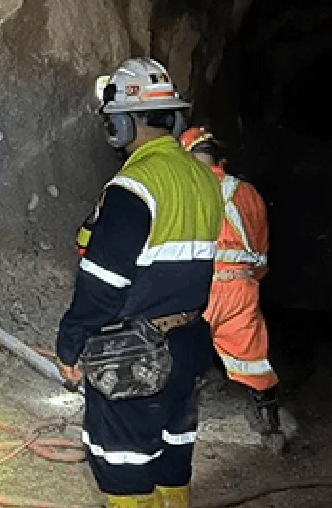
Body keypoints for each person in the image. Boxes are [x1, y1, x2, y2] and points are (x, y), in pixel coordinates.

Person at [56, 58, 222, 508]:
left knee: (123, 461)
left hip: (134, 350)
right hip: (188, 341)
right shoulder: (203, 180)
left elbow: (102, 282)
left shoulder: (134, 186)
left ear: (123, 125)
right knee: (173, 449)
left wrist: (71, 342)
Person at [179, 126, 282, 443]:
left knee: (181, 354)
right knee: (252, 357)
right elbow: (261, 251)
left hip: (196, 286)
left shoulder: (183, 190)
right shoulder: (248, 193)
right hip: (240, 286)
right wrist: (249, 280)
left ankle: (181, 424)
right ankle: (269, 424)